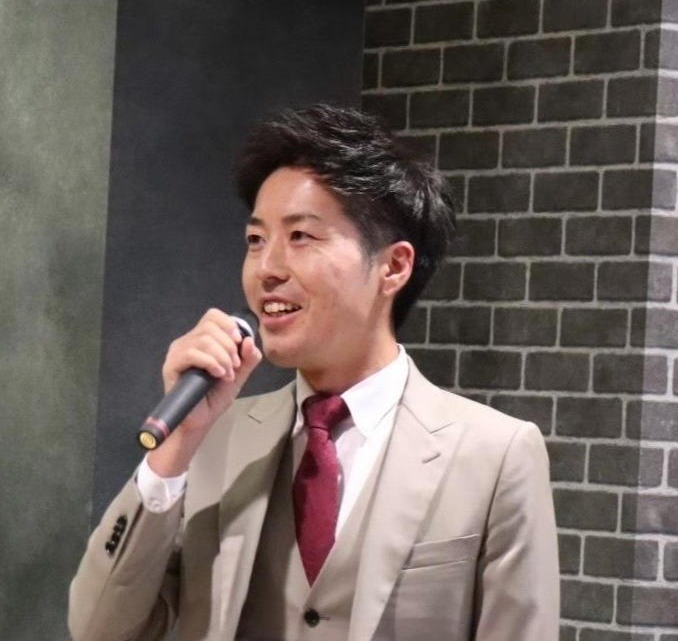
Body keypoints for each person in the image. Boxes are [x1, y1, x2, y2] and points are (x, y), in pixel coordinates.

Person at [69, 104, 560, 640]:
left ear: (394, 266)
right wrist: (174, 452)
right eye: (256, 240)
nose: (267, 269)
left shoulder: (495, 455)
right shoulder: (214, 438)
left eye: (301, 236)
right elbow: (99, 629)